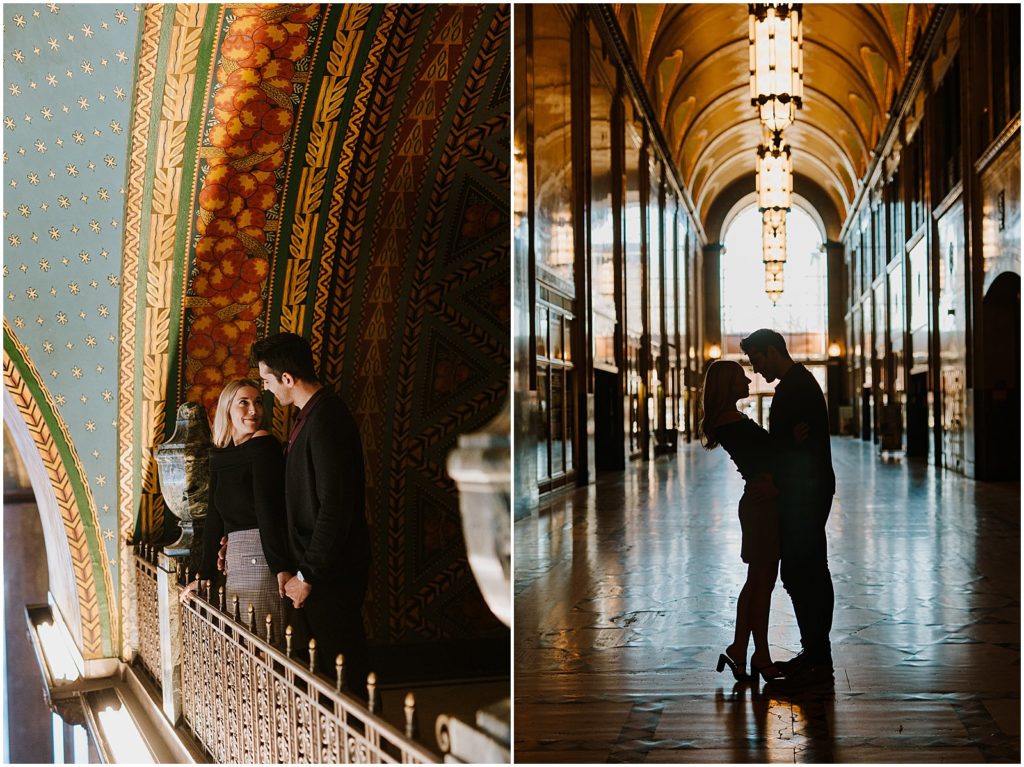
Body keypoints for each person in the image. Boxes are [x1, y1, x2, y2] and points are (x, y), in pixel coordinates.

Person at [250, 332, 371, 698]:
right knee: (330, 668)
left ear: (287, 378)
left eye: (267, 382)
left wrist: (308, 573)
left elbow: (336, 505)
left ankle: (368, 744)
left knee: (344, 668)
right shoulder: (312, 416)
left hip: (331, 572)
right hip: (319, 570)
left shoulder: (327, 418)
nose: (267, 390)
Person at [741, 328, 836, 688]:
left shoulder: (796, 388)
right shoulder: (797, 384)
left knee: (804, 571)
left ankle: (816, 654)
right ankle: (814, 652)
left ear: (771, 351)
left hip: (804, 493)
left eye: (756, 360)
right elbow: (789, 445)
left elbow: (804, 451)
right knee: (805, 570)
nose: (755, 369)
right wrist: (784, 444)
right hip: (804, 490)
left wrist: (778, 477)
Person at [180, 379, 290, 636]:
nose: (254, 410)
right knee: (243, 643)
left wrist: (280, 567)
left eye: (258, 402)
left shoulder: (263, 444)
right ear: (227, 409)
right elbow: (213, 519)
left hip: (263, 557)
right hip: (235, 561)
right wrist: (203, 574)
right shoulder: (221, 455)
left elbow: (269, 510)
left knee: (262, 643)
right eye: (244, 403)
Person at [700, 359, 784, 685]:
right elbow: (769, 456)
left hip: (759, 502)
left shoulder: (728, 419)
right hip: (762, 505)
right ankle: (759, 654)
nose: (748, 379)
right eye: (741, 376)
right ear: (727, 385)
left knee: (757, 582)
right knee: (762, 584)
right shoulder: (731, 421)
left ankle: (739, 648)